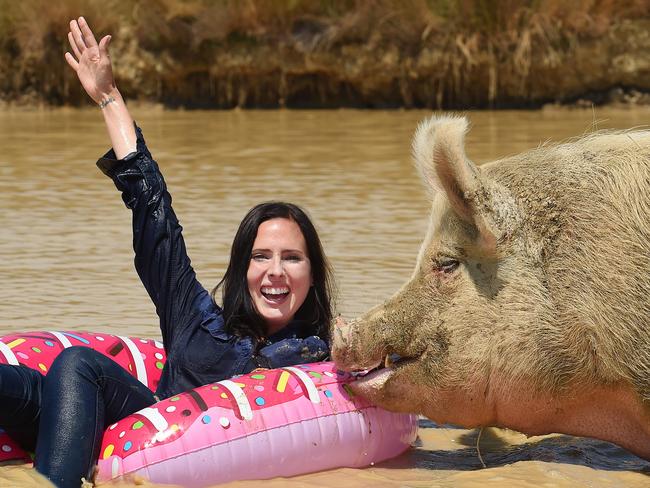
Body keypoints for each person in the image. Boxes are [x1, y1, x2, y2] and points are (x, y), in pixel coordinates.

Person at [0, 17, 333, 488]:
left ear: (313, 274)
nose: (274, 271)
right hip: (116, 426)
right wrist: (109, 96)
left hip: (154, 451)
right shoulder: (197, 320)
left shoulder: (321, 355)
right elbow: (153, 211)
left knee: (78, 364)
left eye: (291, 258)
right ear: (242, 269)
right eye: (260, 256)